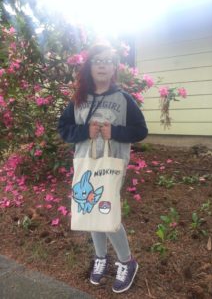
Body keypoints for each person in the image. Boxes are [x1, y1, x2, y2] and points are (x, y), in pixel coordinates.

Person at [58, 43, 148, 294]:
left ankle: (127, 261)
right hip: (86, 164)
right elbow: (64, 129)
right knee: (89, 208)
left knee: (107, 210)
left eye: (107, 61)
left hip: (112, 164)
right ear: (89, 65)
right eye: (97, 60)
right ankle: (101, 257)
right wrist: (83, 131)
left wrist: (115, 132)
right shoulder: (78, 99)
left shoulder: (124, 99)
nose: (102, 65)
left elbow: (141, 131)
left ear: (114, 67)